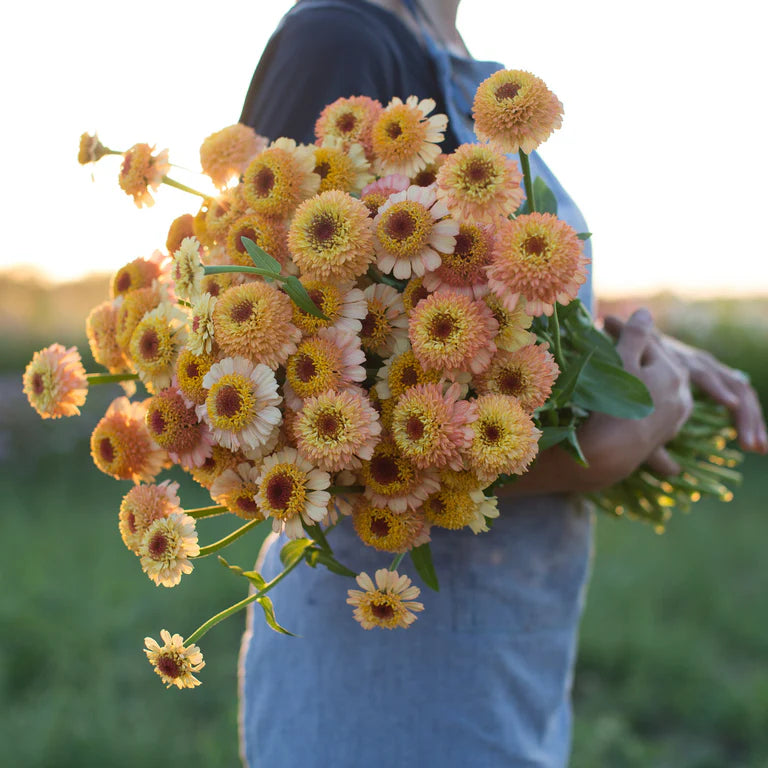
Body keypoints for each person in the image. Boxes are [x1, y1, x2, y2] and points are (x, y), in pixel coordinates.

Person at [237, 2, 768, 766]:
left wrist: (628, 350)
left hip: (497, 639)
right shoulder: (339, 40)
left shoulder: (443, 46)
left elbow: (460, 306)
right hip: (385, 655)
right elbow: (281, 410)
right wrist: (595, 452)